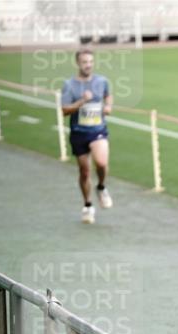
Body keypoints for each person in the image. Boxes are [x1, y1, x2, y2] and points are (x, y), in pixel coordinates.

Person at [60, 49, 113, 225]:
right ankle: (88, 205)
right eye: (84, 62)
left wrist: (108, 107)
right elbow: (64, 110)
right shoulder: (69, 85)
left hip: (97, 130)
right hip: (78, 133)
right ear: (78, 63)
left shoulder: (101, 81)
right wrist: (82, 101)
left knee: (102, 163)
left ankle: (101, 187)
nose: (88, 65)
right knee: (84, 171)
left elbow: (108, 95)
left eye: (90, 61)